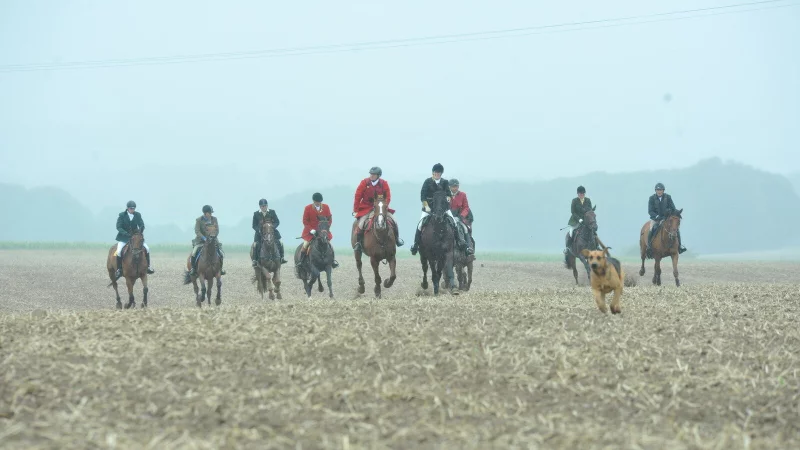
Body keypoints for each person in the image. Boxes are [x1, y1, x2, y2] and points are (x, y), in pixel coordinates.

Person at [409, 163, 473, 256]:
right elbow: (422, 196)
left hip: (443, 208)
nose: (436, 174)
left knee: (454, 223)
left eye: (438, 173)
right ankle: (415, 245)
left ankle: (461, 242)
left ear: (441, 174)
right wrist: (426, 205)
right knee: (420, 225)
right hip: (429, 208)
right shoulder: (427, 182)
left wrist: (448, 198)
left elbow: (448, 194)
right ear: (433, 173)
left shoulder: (445, 182)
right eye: (435, 173)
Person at [352, 166, 404, 252]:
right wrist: (356, 210)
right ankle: (358, 243)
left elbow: (388, 197)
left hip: (381, 208)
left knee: (394, 220)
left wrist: (385, 206)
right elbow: (358, 196)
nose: (371, 176)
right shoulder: (364, 183)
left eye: (374, 174)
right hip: (366, 208)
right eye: (371, 174)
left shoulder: (384, 183)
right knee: (361, 224)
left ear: (378, 175)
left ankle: (397, 239)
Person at [114, 200, 154, 279]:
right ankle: (119, 269)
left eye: (133, 208)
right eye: (131, 208)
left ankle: (148, 267)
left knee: (147, 248)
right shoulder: (122, 215)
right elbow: (118, 227)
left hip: (136, 238)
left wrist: (141, 230)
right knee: (118, 251)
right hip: (124, 238)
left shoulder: (138, 215)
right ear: (128, 208)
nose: (132, 210)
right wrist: (126, 233)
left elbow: (141, 224)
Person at [300, 192, 339, 268]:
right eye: (316, 202)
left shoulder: (326, 207)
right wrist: (311, 229)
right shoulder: (307, 208)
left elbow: (329, 219)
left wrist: (326, 228)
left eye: (319, 202)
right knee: (305, 245)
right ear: (313, 201)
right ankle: (301, 262)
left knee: (330, 245)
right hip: (311, 232)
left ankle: (332, 262)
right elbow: (305, 221)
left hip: (323, 232)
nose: (318, 203)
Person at [647, 182, 687, 256]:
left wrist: (676, 212)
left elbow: (673, 208)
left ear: (663, 190)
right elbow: (650, 211)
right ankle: (649, 248)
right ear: (655, 191)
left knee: (675, 229)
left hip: (667, 219)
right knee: (652, 228)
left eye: (660, 190)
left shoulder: (668, 197)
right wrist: (656, 216)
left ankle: (680, 247)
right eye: (657, 190)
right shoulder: (652, 198)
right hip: (656, 219)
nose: (659, 191)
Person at [188, 205, 226, 276]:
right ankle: (193, 268)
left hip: (213, 240)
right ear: (205, 213)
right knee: (194, 253)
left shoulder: (214, 219)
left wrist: (213, 236)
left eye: (211, 213)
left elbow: (217, 230)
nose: (211, 214)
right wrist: (204, 238)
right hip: (201, 241)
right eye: (210, 213)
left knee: (220, 253)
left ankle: (221, 268)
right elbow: (197, 231)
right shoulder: (199, 220)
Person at [252, 198, 287, 265]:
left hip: (271, 232)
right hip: (260, 233)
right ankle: (255, 260)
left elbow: (277, 221)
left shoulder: (272, 212)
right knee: (255, 245)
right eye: (262, 206)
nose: (263, 207)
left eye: (265, 205)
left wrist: (272, 227)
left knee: (280, 242)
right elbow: (254, 225)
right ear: (260, 206)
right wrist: (258, 230)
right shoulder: (256, 214)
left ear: (267, 205)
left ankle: (282, 258)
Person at [449, 178, 475, 254]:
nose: (455, 188)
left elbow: (466, 207)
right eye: (453, 186)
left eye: (456, 186)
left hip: (459, 217)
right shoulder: (446, 195)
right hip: (448, 217)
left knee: (465, 229)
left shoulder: (463, 195)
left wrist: (461, 215)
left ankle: (468, 247)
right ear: (449, 187)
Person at [565, 186, 593, 252]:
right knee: (571, 233)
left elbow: (590, 211)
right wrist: (579, 219)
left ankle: (596, 246)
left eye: (583, 194)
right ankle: (567, 248)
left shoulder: (588, 200)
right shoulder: (574, 201)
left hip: (586, 221)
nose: (582, 195)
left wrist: (587, 219)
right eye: (580, 194)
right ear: (578, 194)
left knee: (593, 231)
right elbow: (573, 212)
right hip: (575, 220)